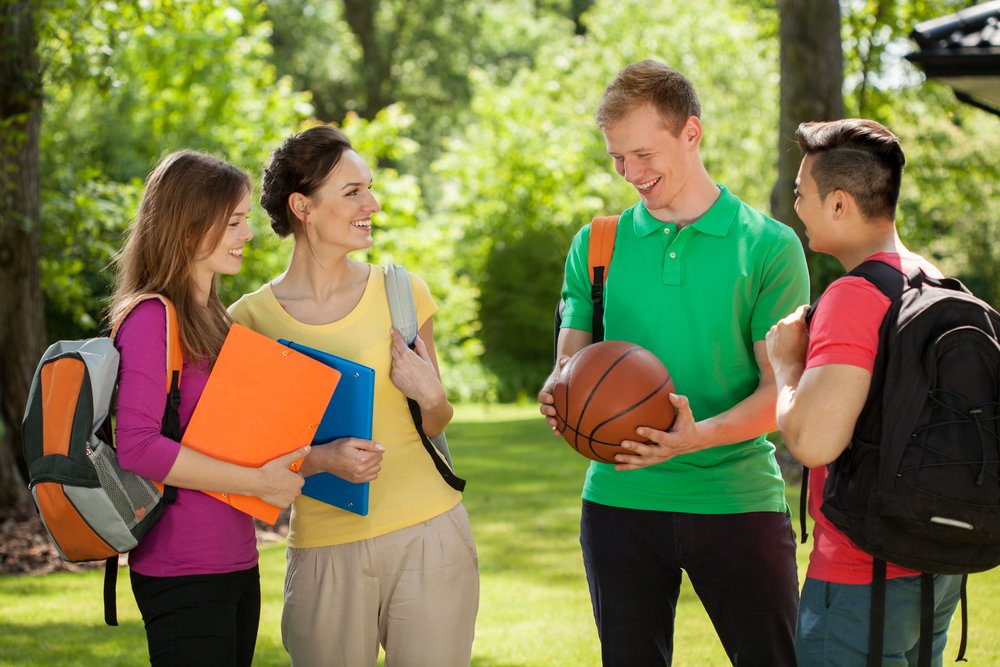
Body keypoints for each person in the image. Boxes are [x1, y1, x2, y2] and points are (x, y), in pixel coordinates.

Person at [537, 59, 809, 666]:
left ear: (692, 132)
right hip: (618, 502)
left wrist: (693, 439)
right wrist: (559, 392)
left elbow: (779, 391)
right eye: (616, 159)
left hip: (737, 498)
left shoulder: (767, 246)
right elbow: (570, 363)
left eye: (642, 154)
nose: (630, 173)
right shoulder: (597, 244)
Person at [229, 125, 478, 667]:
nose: (373, 203)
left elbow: (435, 420)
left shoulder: (401, 292)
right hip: (323, 550)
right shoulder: (249, 322)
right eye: (352, 192)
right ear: (303, 207)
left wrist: (431, 394)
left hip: (428, 533)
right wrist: (320, 459)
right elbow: (243, 460)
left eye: (370, 187)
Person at [766, 118, 963, 666]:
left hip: (861, 571)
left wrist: (785, 364)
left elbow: (812, 442)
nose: (798, 208)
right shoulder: (933, 280)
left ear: (839, 205)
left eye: (803, 196)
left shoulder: (854, 295)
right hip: (935, 563)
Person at [110, 149, 309, 667]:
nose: (247, 234)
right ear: (188, 225)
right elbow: (137, 446)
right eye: (234, 222)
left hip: (236, 562)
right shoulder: (153, 316)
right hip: (181, 569)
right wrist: (259, 484)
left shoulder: (215, 317)